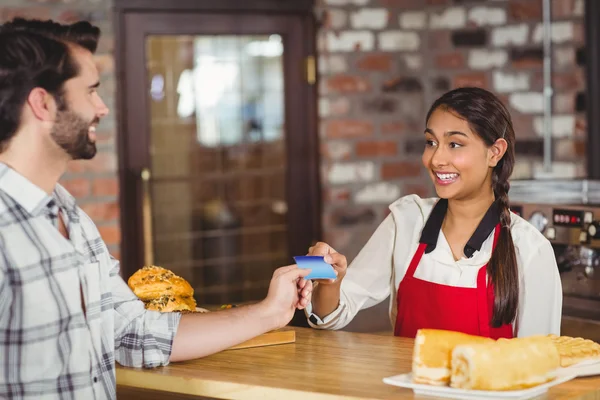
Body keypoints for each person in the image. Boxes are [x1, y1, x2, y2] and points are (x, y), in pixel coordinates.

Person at [0, 18, 312, 399]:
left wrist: (270, 312)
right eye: (91, 91)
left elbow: (132, 331)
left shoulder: (70, 216)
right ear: (43, 103)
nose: (102, 108)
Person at [306, 87, 562, 339]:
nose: (437, 158)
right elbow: (327, 317)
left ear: (494, 152)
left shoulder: (529, 249)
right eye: (431, 142)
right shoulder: (406, 220)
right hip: (407, 382)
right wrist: (329, 280)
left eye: (454, 144)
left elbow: (540, 360)